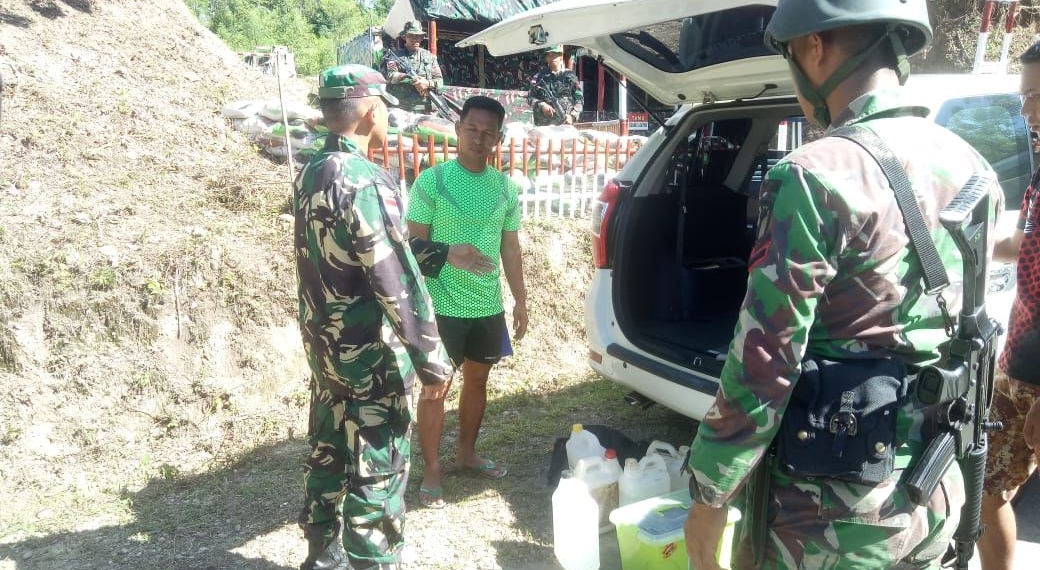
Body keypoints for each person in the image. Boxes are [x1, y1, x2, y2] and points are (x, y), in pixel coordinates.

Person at [681, 1, 1004, 569]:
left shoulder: (814, 173)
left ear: (813, 46)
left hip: (834, 516)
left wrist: (710, 493)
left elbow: (765, 359)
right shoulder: (971, 164)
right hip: (938, 490)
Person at [293, 64, 494, 570]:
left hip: (326, 348)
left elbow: (359, 250)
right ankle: (373, 560)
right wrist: (431, 358)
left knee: (328, 447)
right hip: (369, 353)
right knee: (377, 465)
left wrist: (444, 251)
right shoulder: (364, 178)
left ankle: (321, 551)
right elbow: (392, 278)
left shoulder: (313, 170)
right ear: (370, 112)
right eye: (385, 110)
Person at [405, 96, 529, 509]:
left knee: (478, 381)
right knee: (435, 388)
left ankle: (466, 452)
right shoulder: (432, 182)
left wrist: (521, 301)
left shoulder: (506, 189)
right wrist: (448, 250)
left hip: (487, 307)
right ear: (458, 130)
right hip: (440, 307)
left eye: (488, 133)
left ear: (499, 138)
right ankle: (433, 467)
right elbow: (411, 246)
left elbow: (511, 249)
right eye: (472, 130)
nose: (479, 139)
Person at [977, 40, 1040, 570]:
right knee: (986, 488)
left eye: (1037, 96)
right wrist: (957, 239)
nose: (1027, 112)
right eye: (1024, 97)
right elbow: (1025, 243)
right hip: (1014, 365)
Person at [380, 20, 444, 114]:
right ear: (405, 37)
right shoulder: (394, 56)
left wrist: (427, 83)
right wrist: (412, 79)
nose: (415, 39)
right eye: (412, 35)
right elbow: (391, 76)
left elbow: (440, 82)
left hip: (426, 108)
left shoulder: (429, 57)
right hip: (402, 108)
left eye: (418, 36)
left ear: (422, 38)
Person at [527, 45, 583, 126]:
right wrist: (541, 105)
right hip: (544, 125)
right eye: (549, 55)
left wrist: (573, 116)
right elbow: (530, 98)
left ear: (560, 56)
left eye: (554, 54)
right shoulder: (538, 77)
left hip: (565, 124)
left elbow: (579, 99)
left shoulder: (571, 76)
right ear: (546, 58)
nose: (552, 57)